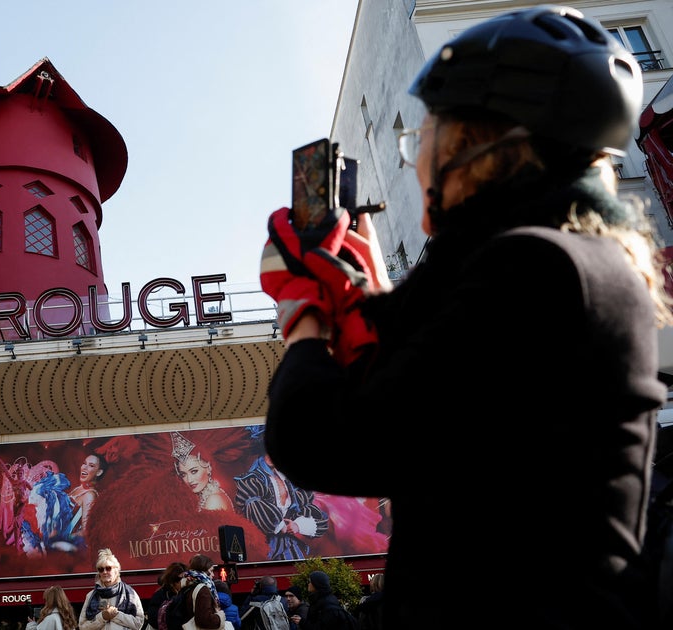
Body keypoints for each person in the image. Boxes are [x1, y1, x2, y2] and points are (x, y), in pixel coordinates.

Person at [259, 6, 669, 629]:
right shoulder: (562, 257)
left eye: (421, 140)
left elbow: (323, 439)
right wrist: (364, 290)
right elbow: (429, 384)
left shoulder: (537, 267)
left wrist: (304, 315)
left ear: (475, 146)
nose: (414, 161)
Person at [233, 455, 328, 561]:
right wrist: (280, 525)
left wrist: (297, 525)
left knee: (295, 569)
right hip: (262, 545)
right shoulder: (252, 479)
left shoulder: (289, 481)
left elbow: (310, 511)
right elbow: (254, 509)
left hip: (288, 544)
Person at [78, 548, 145, 630]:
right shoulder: (90, 596)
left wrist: (115, 615)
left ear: (116, 570)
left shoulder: (130, 593)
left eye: (108, 568)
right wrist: (102, 617)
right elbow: (82, 626)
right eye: (101, 569)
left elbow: (138, 623)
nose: (104, 572)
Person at [170, 432, 233, 511]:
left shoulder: (214, 500)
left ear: (208, 468)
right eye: (183, 474)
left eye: (194, 471)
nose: (189, 480)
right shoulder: (206, 496)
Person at [176, 554, 223, 630]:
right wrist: (220, 617)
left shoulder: (187, 585)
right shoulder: (203, 589)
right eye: (211, 571)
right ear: (203, 570)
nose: (213, 575)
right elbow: (204, 620)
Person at [68, 452, 106, 538]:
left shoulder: (90, 495)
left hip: (67, 543)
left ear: (99, 472)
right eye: (84, 463)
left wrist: (61, 538)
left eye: (91, 465)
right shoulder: (76, 489)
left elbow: (85, 532)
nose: (84, 467)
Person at [146, 561, 187, 630]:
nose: (183, 582)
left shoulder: (187, 592)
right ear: (172, 580)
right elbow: (153, 618)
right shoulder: (160, 595)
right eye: (179, 579)